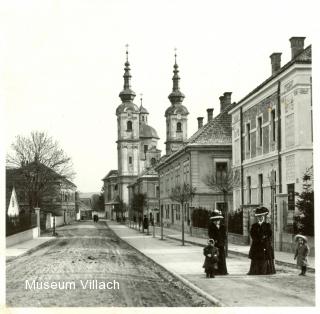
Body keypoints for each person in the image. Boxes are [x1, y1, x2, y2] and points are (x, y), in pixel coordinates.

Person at [248, 206, 276, 275]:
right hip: (257, 244)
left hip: (265, 244)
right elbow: (252, 234)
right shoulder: (254, 226)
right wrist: (258, 239)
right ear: (257, 218)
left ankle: (266, 271)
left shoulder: (267, 225)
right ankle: (255, 271)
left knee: (265, 257)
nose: (260, 218)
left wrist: (264, 237)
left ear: (264, 217)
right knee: (256, 258)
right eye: (259, 217)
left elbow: (270, 234)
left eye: (262, 217)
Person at [208, 210, 228, 275]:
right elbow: (210, 235)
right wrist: (214, 240)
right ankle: (215, 271)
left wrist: (223, 241)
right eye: (215, 220)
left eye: (218, 220)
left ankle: (223, 271)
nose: (217, 221)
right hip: (215, 244)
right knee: (215, 257)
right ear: (213, 220)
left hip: (221, 244)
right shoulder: (211, 226)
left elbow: (224, 235)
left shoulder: (223, 227)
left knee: (222, 257)